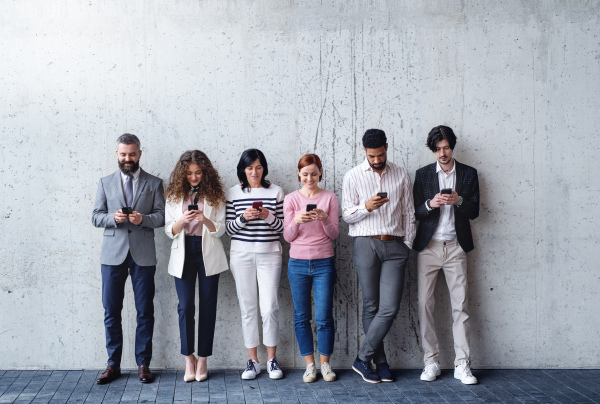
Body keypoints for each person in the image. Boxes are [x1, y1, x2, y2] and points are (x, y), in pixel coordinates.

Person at [342, 129, 416, 383]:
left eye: (380, 154)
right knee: (371, 305)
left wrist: (407, 243)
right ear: (364, 151)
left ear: (387, 147)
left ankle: (363, 358)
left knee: (389, 308)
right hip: (366, 243)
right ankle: (381, 362)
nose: (376, 160)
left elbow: (409, 212)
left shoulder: (401, 174)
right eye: (372, 156)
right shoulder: (352, 176)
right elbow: (347, 216)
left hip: (396, 246)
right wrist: (366, 207)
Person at [92, 133, 165, 384]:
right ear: (117, 154)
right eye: (123, 154)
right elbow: (95, 216)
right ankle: (113, 365)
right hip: (112, 255)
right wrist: (113, 217)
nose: (127, 158)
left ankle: (143, 364)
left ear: (140, 154)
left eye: (132, 154)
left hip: (143, 255)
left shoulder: (154, 183)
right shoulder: (105, 182)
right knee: (111, 310)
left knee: (145, 310)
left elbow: (162, 217)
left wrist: (142, 219)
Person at [412, 125, 480, 385]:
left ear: (453, 147)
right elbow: (415, 211)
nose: (442, 153)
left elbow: (474, 211)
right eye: (438, 149)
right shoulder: (423, 174)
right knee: (425, 305)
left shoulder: (469, 174)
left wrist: (459, 201)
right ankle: (431, 361)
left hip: (456, 246)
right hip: (428, 247)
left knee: (460, 306)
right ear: (433, 150)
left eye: (446, 148)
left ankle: (462, 364)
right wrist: (431, 204)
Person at [164, 150, 228, 382]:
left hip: (208, 253)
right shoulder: (172, 196)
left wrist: (206, 220)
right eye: (189, 173)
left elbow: (221, 229)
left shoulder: (215, 195)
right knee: (185, 307)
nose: (193, 177)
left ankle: (203, 359)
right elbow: (168, 231)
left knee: (208, 307)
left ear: (205, 172)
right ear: (183, 174)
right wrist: (181, 221)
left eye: (198, 173)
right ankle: (188, 359)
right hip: (183, 253)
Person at [225, 149, 285, 380]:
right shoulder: (232, 193)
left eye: (258, 167)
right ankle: (252, 361)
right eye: (249, 168)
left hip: (270, 254)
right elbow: (228, 230)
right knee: (247, 308)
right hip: (241, 255)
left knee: (269, 307)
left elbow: (283, 229)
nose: (254, 172)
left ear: (264, 168)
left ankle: (272, 360)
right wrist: (243, 218)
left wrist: (267, 216)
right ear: (243, 169)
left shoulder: (276, 191)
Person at [283, 154, 339, 383]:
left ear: (320, 173)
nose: (309, 178)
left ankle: (325, 364)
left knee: (324, 316)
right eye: (305, 174)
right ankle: (310, 365)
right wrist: (296, 220)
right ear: (299, 174)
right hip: (297, 264)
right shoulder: (291, 199)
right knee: (301, 317)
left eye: (314, 174)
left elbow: (334, 234)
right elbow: (287, 236)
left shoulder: (329, 197)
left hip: (324, 262)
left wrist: (325, 218)